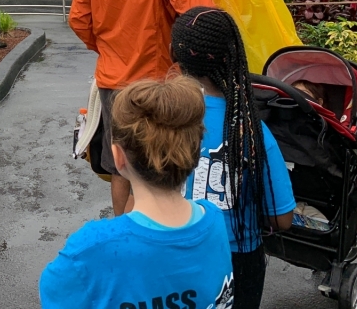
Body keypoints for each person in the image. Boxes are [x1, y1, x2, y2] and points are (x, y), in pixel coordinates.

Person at [69, 0, 211, 214]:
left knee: (122, 162)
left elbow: (78, 18)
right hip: (159, 83)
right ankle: (160, 234)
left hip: (111, 81)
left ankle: (124, 230)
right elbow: (198, 19)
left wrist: (107, 48)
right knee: (162, 163)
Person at [39, 77, 235, 309]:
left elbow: (55, 293)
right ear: (194, 153)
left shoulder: (89, 250)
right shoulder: (213, 221)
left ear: (118, 157)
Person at [171, 7, 296, 309]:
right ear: (233, 56)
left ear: (175, 56)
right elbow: (282, 218)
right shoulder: (252, 130)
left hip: (171, 251)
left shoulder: (165, 119)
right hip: (237, 260)